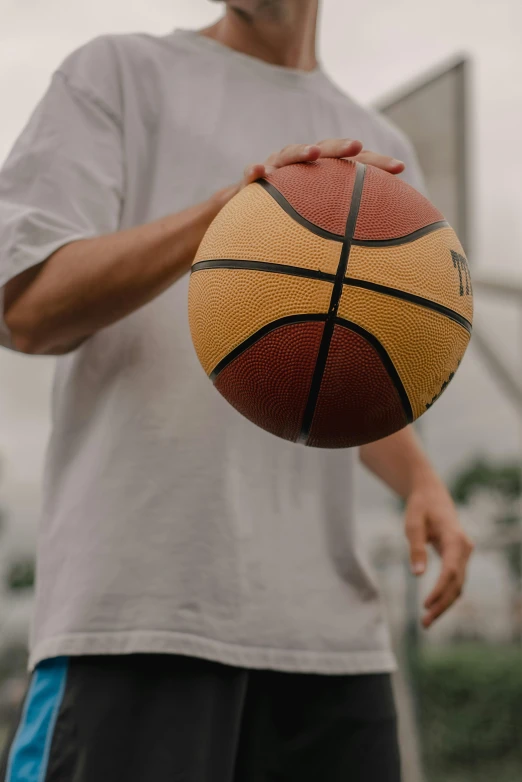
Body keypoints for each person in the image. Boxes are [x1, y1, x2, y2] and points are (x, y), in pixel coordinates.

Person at [0, 1, 474, 780]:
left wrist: (423, 481)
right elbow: (27, 310)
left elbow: (351, 372)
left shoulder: (379, 149)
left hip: (331, 638)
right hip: (138, 615)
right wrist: (229, 218)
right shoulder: (118, 73)